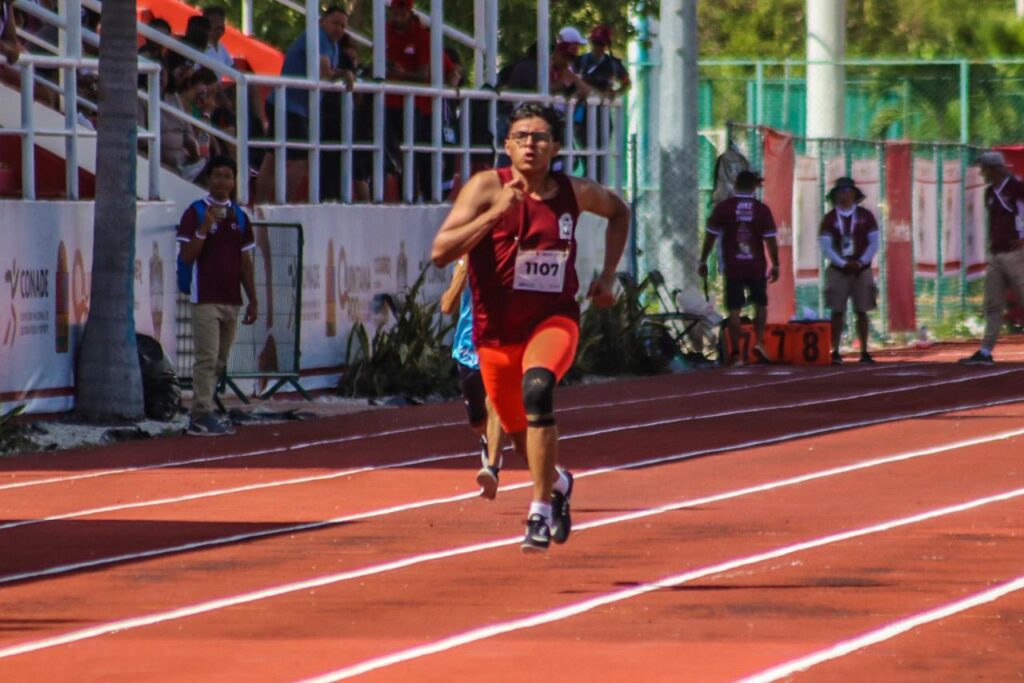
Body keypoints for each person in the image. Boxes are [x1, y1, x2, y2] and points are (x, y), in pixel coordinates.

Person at [431, 102, 630, 552]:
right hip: (496, 333)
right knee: (521, 438)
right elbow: (441, 252)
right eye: (520, 136)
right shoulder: (485, 186)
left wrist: (608, 275)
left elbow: (620, 212)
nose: (530, 144)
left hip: (552, 320)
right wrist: (494, 212)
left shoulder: (573, 192)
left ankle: (538, 512)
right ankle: (557, 483)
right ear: (506, 144)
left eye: (540, 137)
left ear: (556, 147)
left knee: (538, 389)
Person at [177, 156, 257, 436]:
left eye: (228, 177)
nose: (223, 182)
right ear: (208, 179)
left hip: (231, 298)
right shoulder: (195, 213)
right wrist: (204, 228)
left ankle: (207, 409)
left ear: (234, 181)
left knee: (220, 360)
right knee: (207, 358)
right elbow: (187, 255)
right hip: (205, 297)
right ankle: (200, 414)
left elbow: (246, 262)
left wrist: (253, 299)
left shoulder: (240, 217)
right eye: (218, 176)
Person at [256, 5, 353, 202]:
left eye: (343, 26)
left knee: (274, 156)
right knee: (299, 160)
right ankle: (283, 204)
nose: (339, 29)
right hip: (290, 106)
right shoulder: (317, 37)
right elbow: (325, 72)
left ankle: (262, 201)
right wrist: (345, 74)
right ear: (322, 21)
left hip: (287, 104)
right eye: (335, 23)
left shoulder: (331, 43)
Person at [698, 170, 780, 366]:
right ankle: (759, 341)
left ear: (735, 186)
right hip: (756, 265)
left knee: (734, 309)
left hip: (733, 265)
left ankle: (735, 354)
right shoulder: (761, 210)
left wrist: (703, 260)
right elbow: (770, 240)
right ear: (754, 187)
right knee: (760, 304)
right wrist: (776, 264)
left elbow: (711, 236)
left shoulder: (724, 208)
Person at [440, 258, 506, 499]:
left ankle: (492, 467)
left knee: (496, 403)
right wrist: (464, 269)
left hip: (500, 344)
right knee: (478, 421)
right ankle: (487, 441)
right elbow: (447, 306)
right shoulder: (465, 262)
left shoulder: (510, 257)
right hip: (469, 349)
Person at [959, 151, 1024, 365]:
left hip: (1016, 253)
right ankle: (986, 351)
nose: (982, 173)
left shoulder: (1017, 188)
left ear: (994, 168)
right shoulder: (989, 192)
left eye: (984, 168)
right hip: (996, 253)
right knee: (992, 304)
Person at [819, 176, 880, 365]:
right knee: (837, 311)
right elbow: (826, 246)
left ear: (855, 193)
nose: (843, 195)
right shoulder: (829, 219)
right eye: (839, 192)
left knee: (862, 310)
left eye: (846, 191)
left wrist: (861, 262)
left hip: (862, 269)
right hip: (839, 270)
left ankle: (864, 350)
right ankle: (834, 350)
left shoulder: (865, 216)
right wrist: (842, 263)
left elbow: (874, 242)